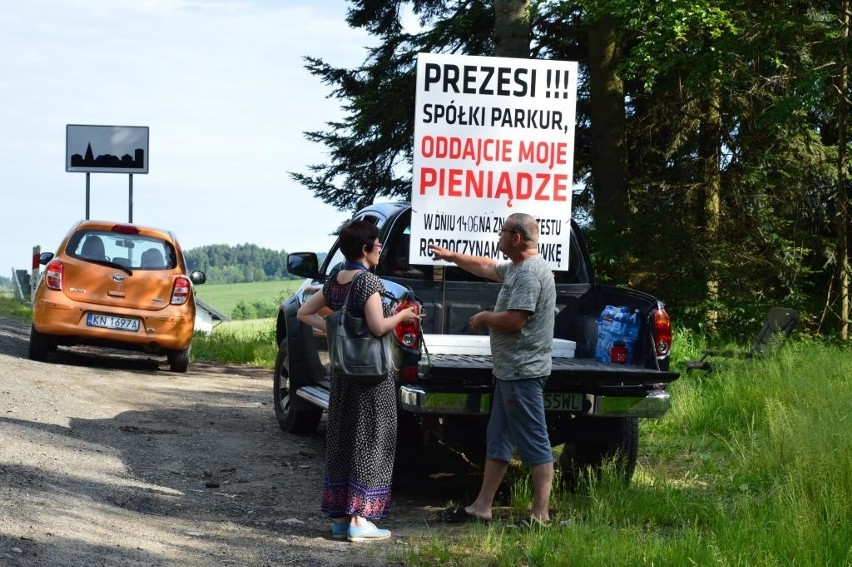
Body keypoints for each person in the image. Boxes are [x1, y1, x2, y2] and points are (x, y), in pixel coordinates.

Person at [297, 220, 420, 542]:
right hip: (372, 377)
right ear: (365, 249)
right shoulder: (368, 282)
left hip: (343, 375)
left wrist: (337, 330)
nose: (380, 250)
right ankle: (361, 520)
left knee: (343, 439)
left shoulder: (337, 279)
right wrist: (404, 317)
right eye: (377, 245)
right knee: (372, 441)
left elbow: (304, 313)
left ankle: (340, 518)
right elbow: (379, 327)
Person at [429, 212, 556, 526]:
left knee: (535, 441)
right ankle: (482, 506)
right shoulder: (516, 267)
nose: (497, 237)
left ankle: (540, 516)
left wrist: (485, 316)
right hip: (508, 372)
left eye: (502, 233)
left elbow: (515, 320)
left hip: (522, 372)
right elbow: (484, 266)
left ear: (515, 238)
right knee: (498, 438)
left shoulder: (529, 273)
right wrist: (451, 256)